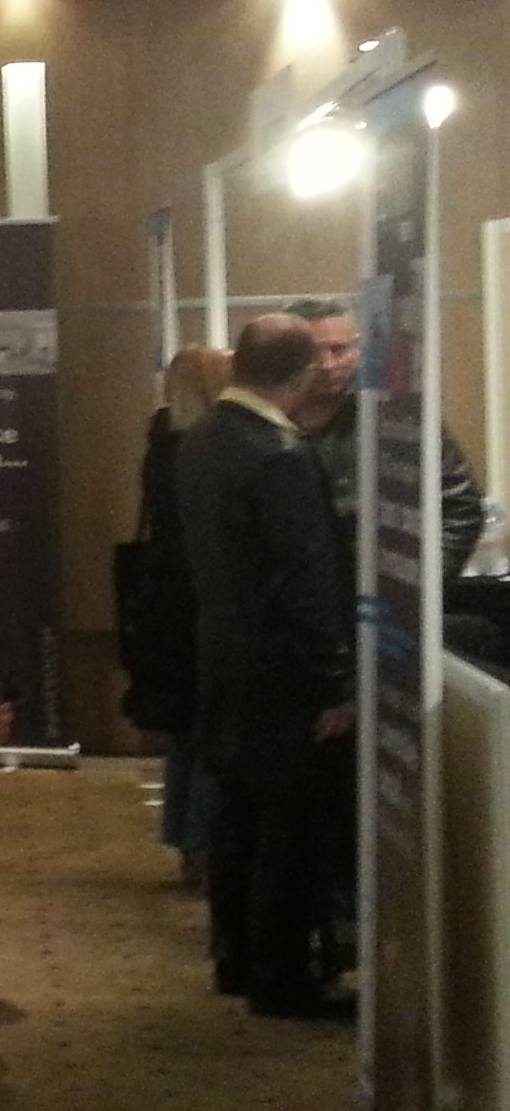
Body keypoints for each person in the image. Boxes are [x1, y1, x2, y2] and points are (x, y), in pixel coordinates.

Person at [174, 313, 356, 1019]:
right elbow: (306, 581)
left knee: (239, 820)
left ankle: (238, 958)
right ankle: (282, 977)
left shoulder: (202, 439)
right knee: (293, 829)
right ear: (304, 372)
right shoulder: (280, 454)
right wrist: (334, 683)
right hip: (284, 673)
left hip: (224, 658)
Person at [123, 346, 231, 888]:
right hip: (201, 604)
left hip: (165, 603)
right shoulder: (212, 448)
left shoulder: (161, 442)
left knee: (185, 734)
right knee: (212, 727)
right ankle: (204, 842)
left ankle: (185, 839)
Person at [282, 297, 484, 575]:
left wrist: (417, 581)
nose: (327, 364)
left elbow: (460, 509)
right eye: (312, 353)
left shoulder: (398, 418)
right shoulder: (261, 419)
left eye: (338, 350)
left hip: (383, 589)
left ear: (357, 347)